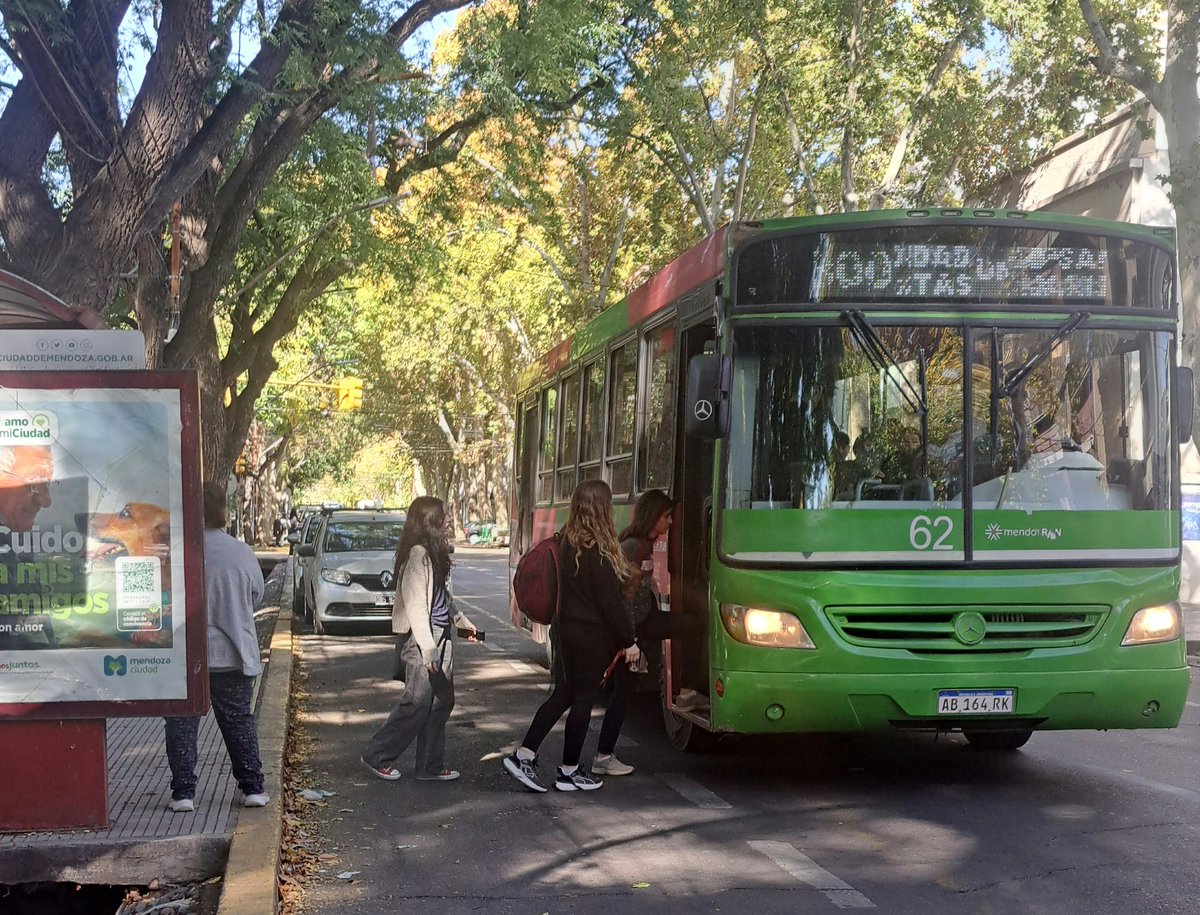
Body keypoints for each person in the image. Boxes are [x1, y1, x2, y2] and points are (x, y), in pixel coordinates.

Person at [503, 479, 641, 793]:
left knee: (562, 694)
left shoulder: (565, 543)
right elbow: (610, 603)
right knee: (583, 700)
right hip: (591, 636)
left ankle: (524, 754)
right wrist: (628, 641)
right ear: (603, 509)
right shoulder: (600, 552)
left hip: (564, 631)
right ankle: (568, 771)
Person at [164, 482, 268, 813]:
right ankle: (253, 788)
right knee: (238, 721)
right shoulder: (241, 552)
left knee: (182, 723)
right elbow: (256, 595)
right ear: (223, 510)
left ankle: (183, 793)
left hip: (187, 656)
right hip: (233, 654)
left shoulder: (178, 551)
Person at [361, 497, 477, 782]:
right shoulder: (417, 555)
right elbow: (415, 606)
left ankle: (429, 766)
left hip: (440, 635)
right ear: (429, 522)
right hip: (422, 639)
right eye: (443, 516)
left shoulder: (434, 553)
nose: (448, 520)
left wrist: (461, 622)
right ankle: (376, 755)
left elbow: (440, 597)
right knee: (417, 702)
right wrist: (428, 648)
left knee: (442, 701)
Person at [593, 489, 702, 776]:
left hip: (645, 620)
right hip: (631, 628)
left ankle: (689, 690)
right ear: (653, 517)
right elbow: (624, 600)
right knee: (622, 693)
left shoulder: (645, 545)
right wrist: (630, 643)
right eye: (666, 517)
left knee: (693, 625)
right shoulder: (632, 548)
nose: (670, 523)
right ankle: (603, 757)